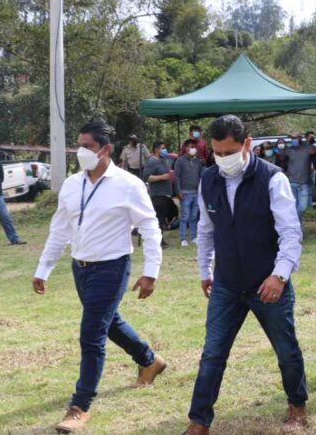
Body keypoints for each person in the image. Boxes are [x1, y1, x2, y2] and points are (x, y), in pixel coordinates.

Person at [32, 121, 167, 433]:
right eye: (79, 145)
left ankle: (80, 406)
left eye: (88, 147)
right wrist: (43, 269)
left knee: (91, 334)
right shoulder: (71, 184)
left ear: (106, 150)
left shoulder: (128, 184)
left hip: (113, 267)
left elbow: (150, 227)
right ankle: (149, 360)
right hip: (81, 268)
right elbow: (59, 229)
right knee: (109, 323)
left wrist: (151, 272)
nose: (81, 151)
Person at [182, 115, 307, 435]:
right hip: (226, 283)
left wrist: (279, 277)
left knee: (286, 350)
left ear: (247, 144)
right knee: (212, 353)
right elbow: (206, 230)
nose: (223, 159)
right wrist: (204, 271)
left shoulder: (272, 178)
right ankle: (199, 421)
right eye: (217, 153)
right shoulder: (209, 179)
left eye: (229, 152)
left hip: (268, 284)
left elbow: (291, 234)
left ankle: (297, 404)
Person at [143, 141, 173, 249]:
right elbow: (146, 177)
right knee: (159, 219)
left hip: (166, 194)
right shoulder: (151, 162)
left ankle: (161, 240)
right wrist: (161, 177)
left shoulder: (163, 160)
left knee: (163, 218)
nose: (165, 150)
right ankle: (158, 242)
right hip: (157, 195)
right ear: (156, 149)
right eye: (162, 148)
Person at [174, 139, 204, 247]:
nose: (193, 149)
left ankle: (193, 237)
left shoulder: (198, 161)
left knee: (194, 216)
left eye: (194, 147)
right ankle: (183, 238)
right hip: (185, 193)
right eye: (191, 146)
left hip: (196, 193)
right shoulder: (180, 161)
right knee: (185, 216)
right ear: (186, 148)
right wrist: (178, 191)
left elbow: (201, 176)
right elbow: (176, 177)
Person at [283, 131, 314, 220]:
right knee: (294, 207)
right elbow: (280, 160)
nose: (294, 140)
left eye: (295, 138)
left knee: (302, 207)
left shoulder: (308, 148)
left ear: (300, 138)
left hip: (303, 183)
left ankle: (292, 221)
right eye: (292, 138)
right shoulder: (288, 150)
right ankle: (298, 230)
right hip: (291, 182)